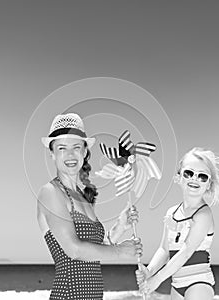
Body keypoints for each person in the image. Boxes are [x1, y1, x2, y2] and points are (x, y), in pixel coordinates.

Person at [37, 113, 143, 300]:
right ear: (52, 153)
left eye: (76, 147)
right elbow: (75, 250)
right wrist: (120, 251)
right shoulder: (50, 192)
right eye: (62, 148)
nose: (70, 155)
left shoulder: (83, 196)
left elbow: (94, 250)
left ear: (85, 152)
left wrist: (120, 226)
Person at [136, 147, 219, 300]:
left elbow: (186, 251)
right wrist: (149, 271)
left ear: (209, 184)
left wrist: (157, 280)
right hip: (177, 283)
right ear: (178, 177)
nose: (195, 179)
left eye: (202, 176)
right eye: (189, 173)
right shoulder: (171, 213)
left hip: (199, 283)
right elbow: (164, 249)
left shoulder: (203, 214)